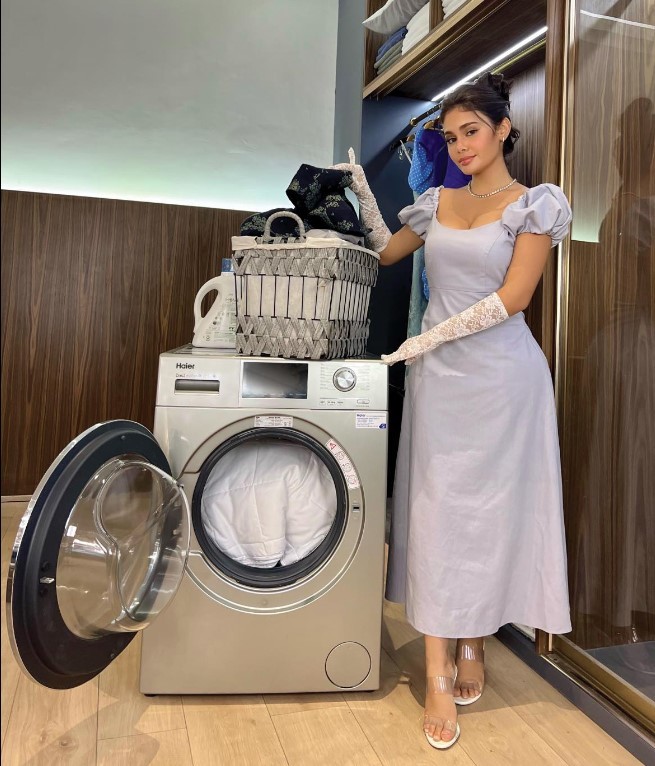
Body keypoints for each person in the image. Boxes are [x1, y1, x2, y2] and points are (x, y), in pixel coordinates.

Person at [334, 72, 573, 750]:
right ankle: (439, 666)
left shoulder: (534, 205)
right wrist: (361, 190)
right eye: (450, 137)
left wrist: (428, 337)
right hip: (441, 383)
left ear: (502, 129)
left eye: (472, 132)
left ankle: (475, 641)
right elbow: (388, 252)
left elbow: (515, 297)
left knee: (489, 514)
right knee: (439, 513)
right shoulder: (436, 201)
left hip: (504, 382)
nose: (461, 146)